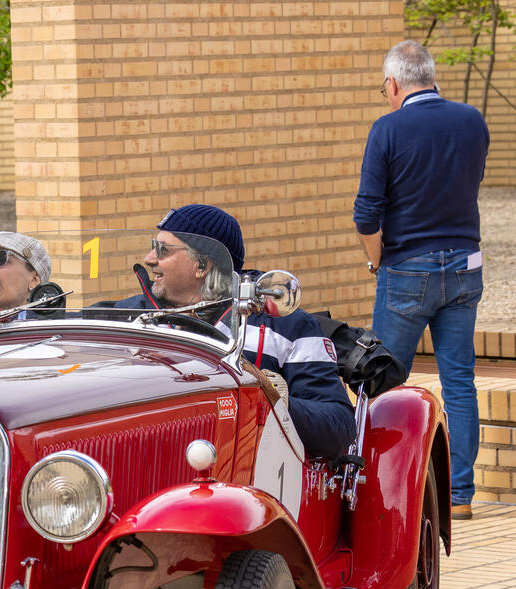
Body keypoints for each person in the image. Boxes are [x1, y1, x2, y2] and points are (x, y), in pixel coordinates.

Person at [353, 40, 489, 520]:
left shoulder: (387, 129)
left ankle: (384, 489)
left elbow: (367, 215)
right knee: (460, 382)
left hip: (407, 269)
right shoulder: (473, 121)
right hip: (465, 268)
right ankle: (460, 494)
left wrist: (378, 261)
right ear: (431, 75)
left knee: (382, 381)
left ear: (393, 84)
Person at [105, 204, 356, 461]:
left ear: (201, 265)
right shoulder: (128, 314)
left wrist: (278, 401)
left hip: (247, 481)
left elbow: (338, 428)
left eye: (162, 250)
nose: (149, 258)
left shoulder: (286, 327)